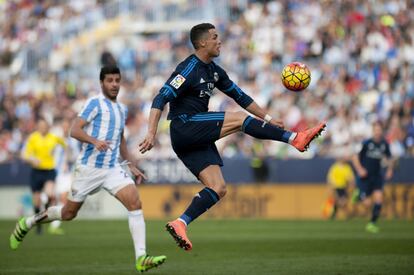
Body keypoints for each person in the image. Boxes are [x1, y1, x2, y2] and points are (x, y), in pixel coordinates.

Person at [139, 23, 326, 251]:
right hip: (184, 125)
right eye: (215, 37)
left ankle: (180, 223)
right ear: (202, 43)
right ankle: (294, 138)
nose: (220, 41)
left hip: (193, 138)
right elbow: (161, 98)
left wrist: (267, 117)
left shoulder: (215, 71)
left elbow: (240, 95)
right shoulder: (187, 68)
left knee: (218, 188)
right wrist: (151, 132)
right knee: (238, 119)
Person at [10, 66, 166, 272]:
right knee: (68, 214)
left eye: (117, 80)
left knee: (135, 202)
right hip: (89, 168)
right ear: (102, 83)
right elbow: (75, 130)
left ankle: (141, 257)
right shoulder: (94, 103)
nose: (114, 84)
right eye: (110, 80)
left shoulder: (122, 109)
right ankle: (28, 223)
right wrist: (94, 141)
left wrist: (130, 165)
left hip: (111, 169)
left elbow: (121, 140)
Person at [21, 118, 66, 234]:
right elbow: (25, 155)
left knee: (49, 194)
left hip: (49, 170)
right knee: (36, 200)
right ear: (38, 126)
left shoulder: (53, 137)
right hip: (36, 171)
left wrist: (63, 158)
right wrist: (32, 160)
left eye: (45, 126)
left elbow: (66, 146)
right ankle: (38, 224)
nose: (43, 128)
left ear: (48, 127)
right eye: (41, 125)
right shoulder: (33, 138)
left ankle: (46, 214)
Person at [352, 121, 393, 233]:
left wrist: (390, 170)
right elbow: (355, 157)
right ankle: (359, 194)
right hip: (365, 177)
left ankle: (372, 223)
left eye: (379, 130)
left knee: (379, 199)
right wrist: (360, 169)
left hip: (377, 176)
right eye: (376, 130)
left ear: (382, 131)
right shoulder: (366, 143)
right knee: (367, 203)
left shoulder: (384, 144)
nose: (378, 132)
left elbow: (389, 158)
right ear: (373, 131)